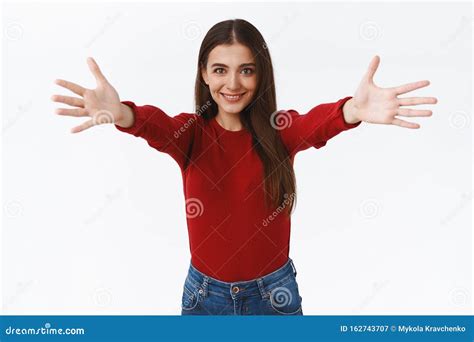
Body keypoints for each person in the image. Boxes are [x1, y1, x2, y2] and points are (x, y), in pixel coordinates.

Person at [51, 19, 437, 315]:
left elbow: (317, 124)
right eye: (220, 70)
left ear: (260, 74)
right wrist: (121, 113)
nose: (232, 83)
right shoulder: (190, 135)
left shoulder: (279, 132)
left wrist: (352, 110)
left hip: (274, 296)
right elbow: (154, 125)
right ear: (204, 73)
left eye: (246, 70)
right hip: (204, 298)